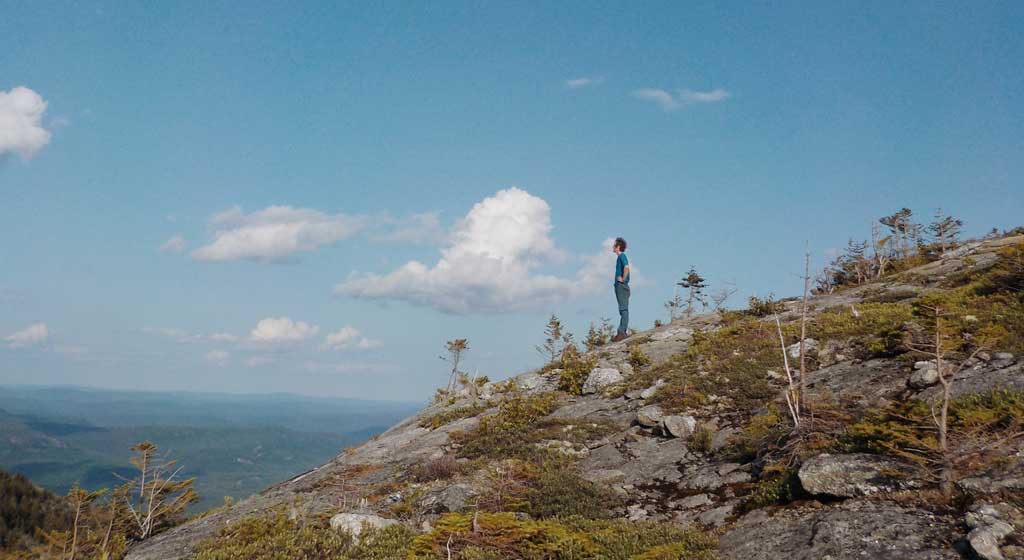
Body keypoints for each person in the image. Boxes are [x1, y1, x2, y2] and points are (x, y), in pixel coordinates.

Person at [612, 237, 630, 342]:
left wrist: (623, 279)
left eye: (614, 246)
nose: (613, 248)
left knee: (623, 309)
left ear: (618, 247)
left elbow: (626, 267)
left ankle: (622, 332)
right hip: (619, 286)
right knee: (622, 308)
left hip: (621, 286)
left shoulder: (622, 256)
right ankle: (621, 331)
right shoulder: (619, 257)